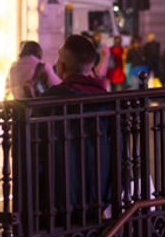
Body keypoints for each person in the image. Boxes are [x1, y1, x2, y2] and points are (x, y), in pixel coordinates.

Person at [40, 35, 112, 222]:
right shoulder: (105, 99)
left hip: (60, 194)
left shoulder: (49, 100)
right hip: (100, 192)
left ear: (62, 66)